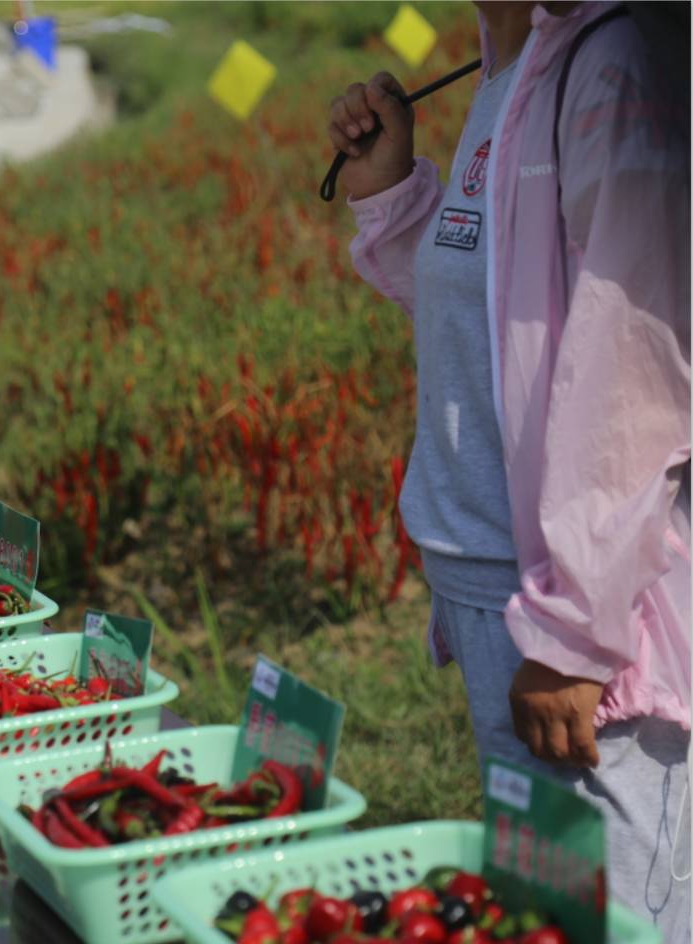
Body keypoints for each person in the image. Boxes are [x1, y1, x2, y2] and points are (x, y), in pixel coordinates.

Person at [329, 1, 689, 936]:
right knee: (546, 908)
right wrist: (392, 192)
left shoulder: (613, 64)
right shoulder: (513, 65)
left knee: (618, 913)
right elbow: (496, 313)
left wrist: (576, 630)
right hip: (490, 575)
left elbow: (635, 365)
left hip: (580, 605)